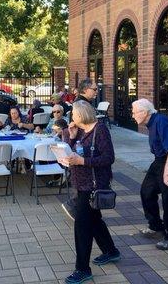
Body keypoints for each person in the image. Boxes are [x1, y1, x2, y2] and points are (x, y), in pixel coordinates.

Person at [61, 100, 120, 284]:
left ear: (82, 114)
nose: (72, 117)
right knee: (94, 220)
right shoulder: (78, 130)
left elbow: (109, 158)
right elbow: (74, 152)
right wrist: (70, 138)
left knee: (82, 226)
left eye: (74, 114)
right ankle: (111, 251)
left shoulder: (100, 130)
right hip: (80, 183)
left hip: (93, 185)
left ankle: (82, 269)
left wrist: (83, 162)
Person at [132, 98, 168, 251]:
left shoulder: (162, 121)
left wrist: (167, 170)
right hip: (160, 160)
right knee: (146, 191)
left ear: (145, 112)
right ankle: (156, 225)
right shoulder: (151, 122)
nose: (133, 115)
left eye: (135, 112)